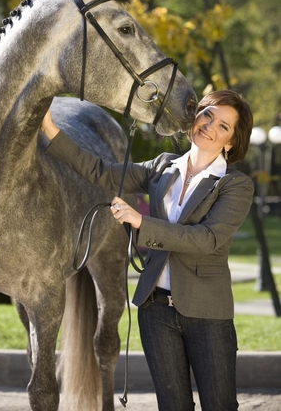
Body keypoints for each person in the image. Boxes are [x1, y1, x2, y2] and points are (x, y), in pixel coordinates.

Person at [40, 89, 254, 411]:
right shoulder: (162, 167)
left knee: (219, 405)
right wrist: (50, 130)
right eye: (207, 114)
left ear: (231, 143)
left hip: (207, 314)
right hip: (155, 312)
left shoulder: (235, 186)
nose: (210, 126)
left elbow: (205, 240)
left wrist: (141, 222)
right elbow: (100, 171)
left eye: (223, 126)